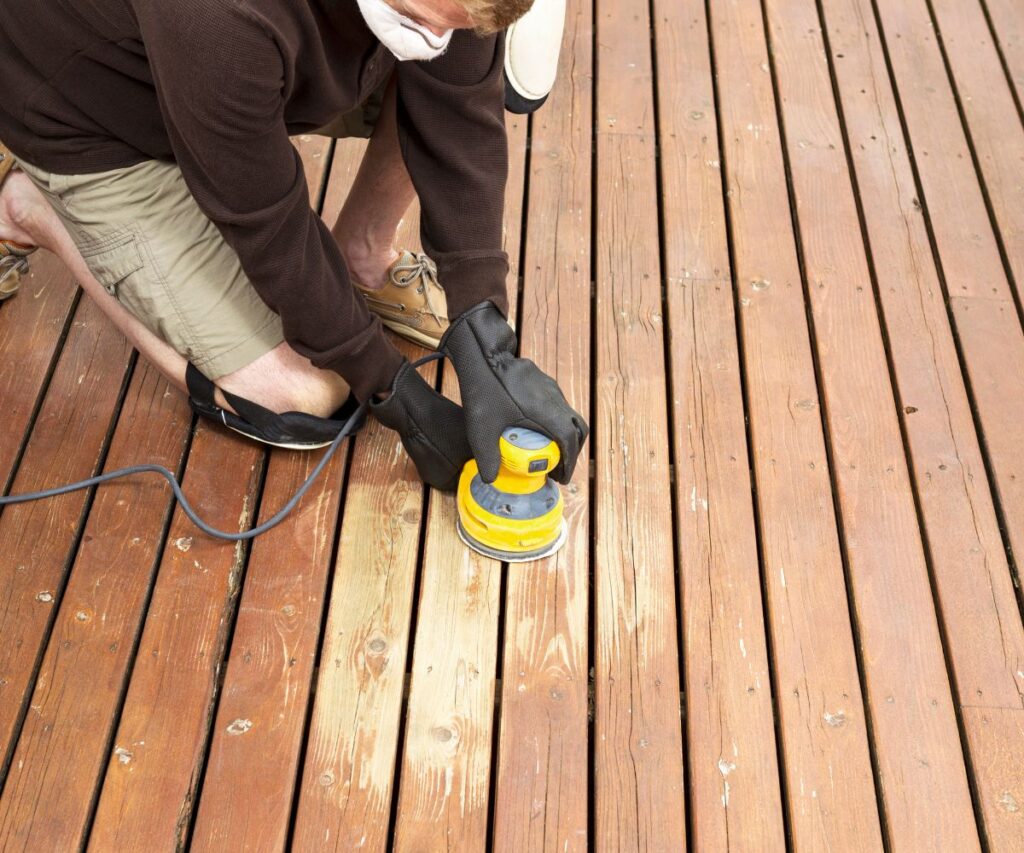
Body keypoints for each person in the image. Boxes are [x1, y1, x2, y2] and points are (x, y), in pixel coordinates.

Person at [0, 0, 587, 493]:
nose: (437, 40)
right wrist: (391, 390)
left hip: (226, 79)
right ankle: (32, 208)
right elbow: (271, 230)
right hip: (90, 118)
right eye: (420, 18)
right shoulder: (216, 18)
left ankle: (363, 249)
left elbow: (458, 103)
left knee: (485, 59)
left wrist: (485, 329)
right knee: (305, 397)